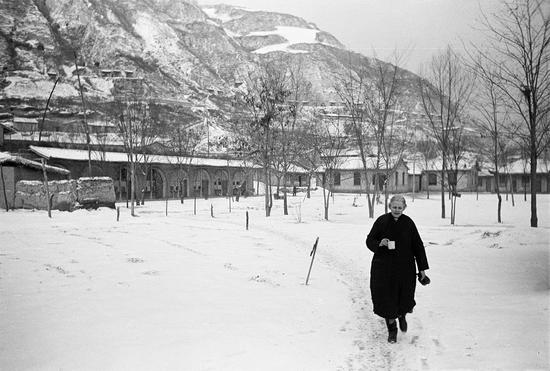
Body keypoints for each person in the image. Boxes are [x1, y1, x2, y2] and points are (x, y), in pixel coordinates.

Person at [366, 194, 429, 343]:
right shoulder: (381, 221)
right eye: (394, 207)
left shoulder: (408, 223)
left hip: (405, 269)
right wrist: (379, 243)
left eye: (400, 208)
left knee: (403, 297)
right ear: (390, 207)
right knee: (387, 299)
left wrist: (422, 269)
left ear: (404, 208)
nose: (397, 210)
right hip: (384, 268)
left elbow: (418, 247)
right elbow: (369, 240)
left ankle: (402, 316)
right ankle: (392, 329)